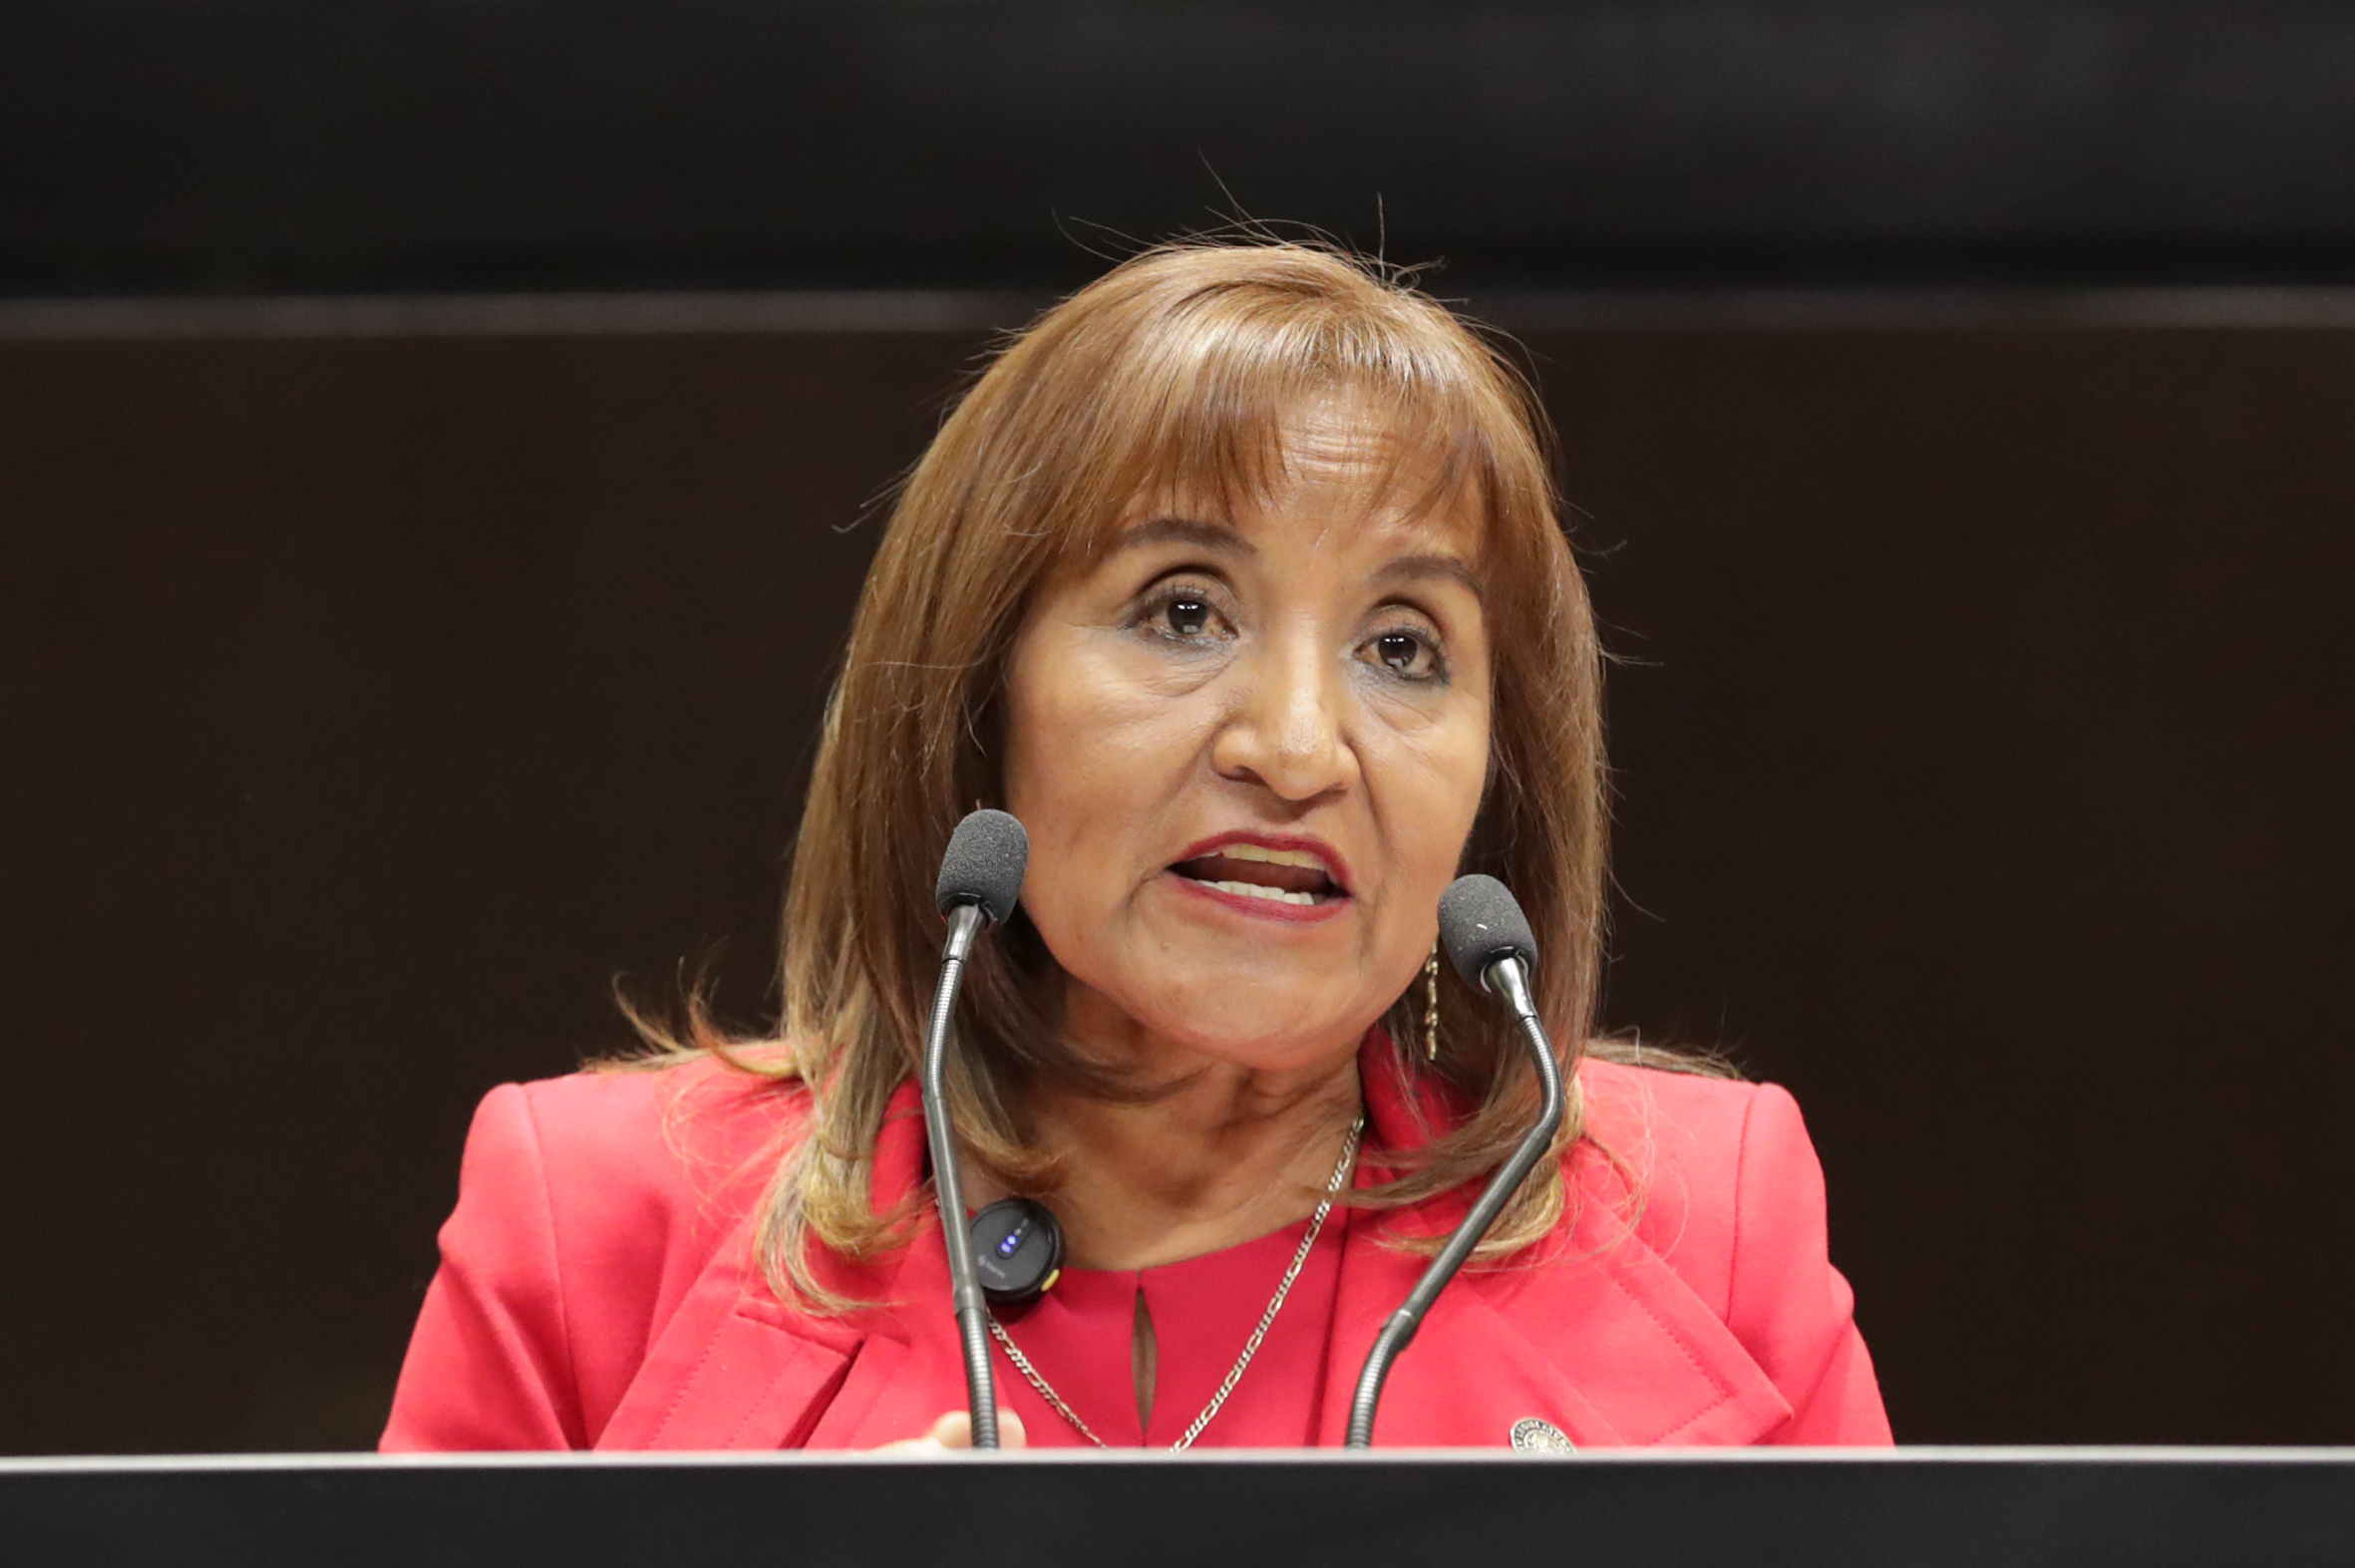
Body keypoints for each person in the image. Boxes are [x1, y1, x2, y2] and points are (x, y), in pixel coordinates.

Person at [380, 241, 1891, 1452]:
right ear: (981, 702)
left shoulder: (1712, 1219)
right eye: (1183, 610)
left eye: (1402, 645)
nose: (1295, 746)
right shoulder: (595, 1232)